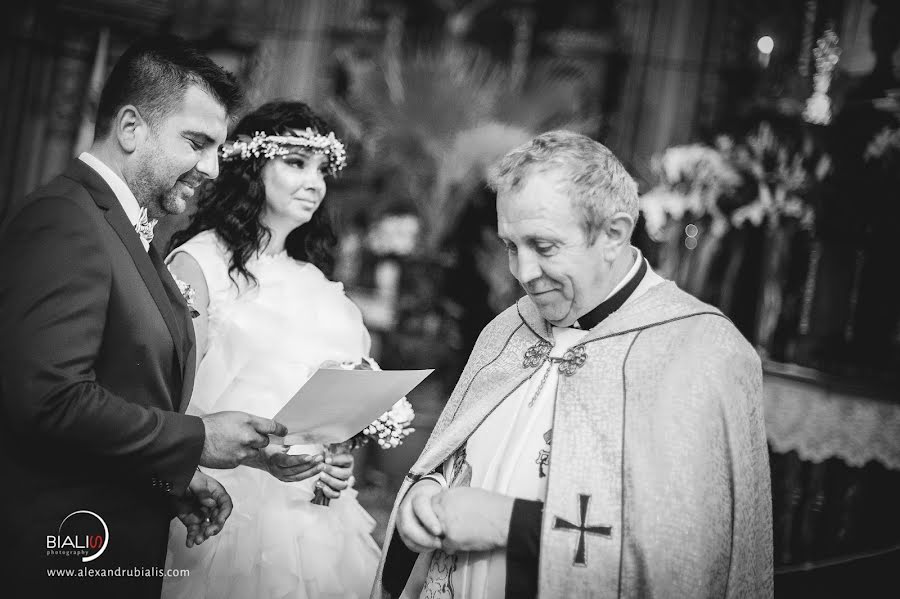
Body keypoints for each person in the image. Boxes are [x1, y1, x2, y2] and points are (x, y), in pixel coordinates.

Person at [373, 131, 773, 599]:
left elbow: (689, 557)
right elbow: (460, 455)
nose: (521, 273)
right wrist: (427, 494)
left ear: (613, 234)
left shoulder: (701, 352)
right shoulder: (507, 329)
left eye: (543, 247)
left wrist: (508, 524)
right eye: (510, 245)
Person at [0, 34, 293, 598]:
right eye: (196, 142)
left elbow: (123, 389)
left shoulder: (127, 231)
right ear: (131, 128)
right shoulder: (64, 220)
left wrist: (168, 478)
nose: (211, 167)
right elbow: (48, 401)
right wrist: (195, 438)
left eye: (217, 148)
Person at [161, 100, 380, 599]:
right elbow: (165, 390)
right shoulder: (201, 264)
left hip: (312, 514)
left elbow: (332, 399)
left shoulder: (319, 283)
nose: (315, 182)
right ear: (253, 166)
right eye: (297, 163)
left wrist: (337, 453)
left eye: (322, 170)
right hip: (224, 497)